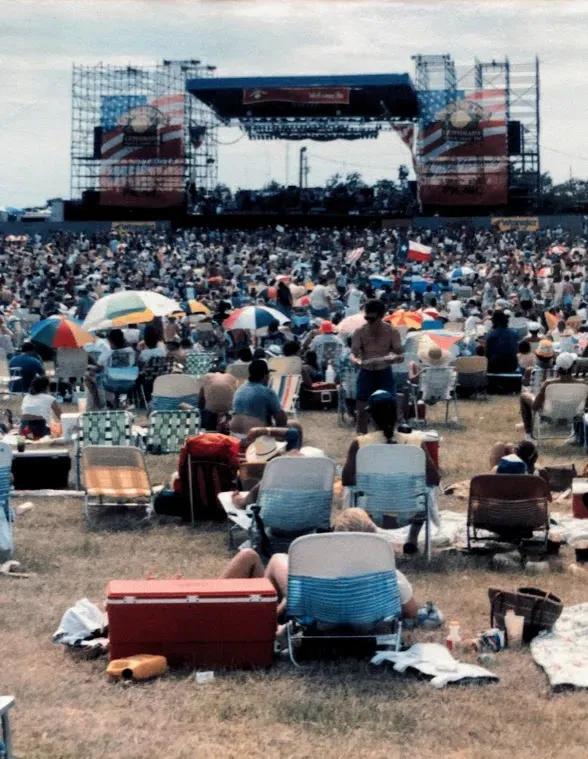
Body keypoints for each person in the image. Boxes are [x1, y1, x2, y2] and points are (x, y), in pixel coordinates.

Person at [220, 507, 418, 623]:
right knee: (255, 558)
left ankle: (210, 604)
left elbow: (298, 600)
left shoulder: (319, 569)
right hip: (353, 617)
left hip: (314, 613)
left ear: (334, 536)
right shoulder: (390, 577)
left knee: (268, 558)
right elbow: (411, 613)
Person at [341, 390, 440, 554]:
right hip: (410, 512)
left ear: (371, 416)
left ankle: (362, 541)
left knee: (351, 492)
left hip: (370, 514)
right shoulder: (416, 443)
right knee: (424, 493)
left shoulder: (359, 444)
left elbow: (347, 480)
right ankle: (412, 537)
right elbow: (434, 479)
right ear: (397, 415)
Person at [351, 299, 403, 434]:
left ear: (381, 316)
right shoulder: (360, 332)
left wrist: (394, 358)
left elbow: (400, 355)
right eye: (366, 318)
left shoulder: (392, 332)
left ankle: (388, 436)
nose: (369, 322)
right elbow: (353, 353)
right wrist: (355, 360)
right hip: (366, 372)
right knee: (362, 410)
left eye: (372, 319)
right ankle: (361, 437)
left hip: (384, 371)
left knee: (389, 408)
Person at [519, 352, 584, 441]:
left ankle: (528, 434)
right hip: (573, 412)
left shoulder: (549, 384)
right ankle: (576, 434)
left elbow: (535, 406)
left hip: (549, 413)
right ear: (573, 366)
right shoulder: (582, 384)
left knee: (524, 396)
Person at [230, 359, 288, 437]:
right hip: (255, 436)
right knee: (295, 427)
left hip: (235, 434)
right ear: (265, 376)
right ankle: (292, 449)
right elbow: (281, 419)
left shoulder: (240, 389)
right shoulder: (267, 392)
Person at [20, 375, 62, 440]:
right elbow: (61, 417)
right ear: (46, 387)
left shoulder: (26, 397)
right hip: (41, 431)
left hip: (24, 431)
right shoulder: (50, 399)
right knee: (57, 428)